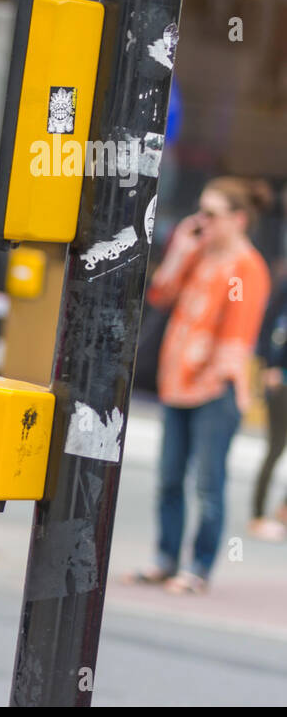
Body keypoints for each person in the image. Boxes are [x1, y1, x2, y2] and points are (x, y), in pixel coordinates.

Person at [128, 176, 272, 594]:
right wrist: (181, 250)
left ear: (239, 219)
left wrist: (211, 373)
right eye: (200, 211)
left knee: (208, 484)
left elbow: (238, 328)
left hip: (215, 389)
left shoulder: (243, 268)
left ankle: (199, 567)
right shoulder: (199, 254)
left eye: (211, 214)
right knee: (169, 478)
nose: (200, 221)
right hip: (178, 383)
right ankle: (164, 558)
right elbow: (160, 294)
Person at [248, 267, 287, 541]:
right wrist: (269, 365)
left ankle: (283, 509)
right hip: (281, 378)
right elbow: (270, 321)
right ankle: (258, 515)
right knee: (275, 446)